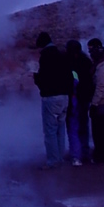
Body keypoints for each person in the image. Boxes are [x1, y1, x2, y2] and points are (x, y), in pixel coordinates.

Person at [33, 31, 73, 169]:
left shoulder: (45, 57)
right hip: (65, 96)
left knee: (50, 130)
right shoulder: (62, 54)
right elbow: (70, 75)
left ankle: (53, 161)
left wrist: (36, 79)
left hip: (51, 98)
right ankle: (60, 157)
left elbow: (44, 79)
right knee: (60, 129)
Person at [65, 40, 94, 166]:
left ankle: (76, 156)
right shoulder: (87, 62)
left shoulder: (69, 63)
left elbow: (72, 82)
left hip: (74, 99)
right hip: (85, 98)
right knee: (84, 126)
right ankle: (85, 153)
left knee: (73, 127)